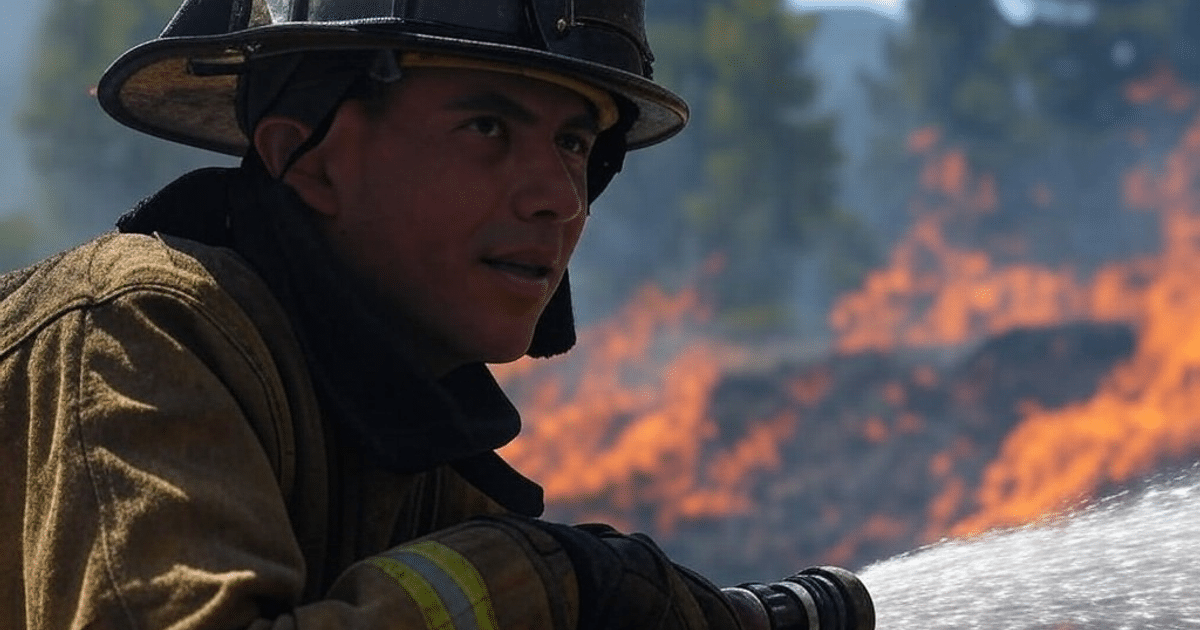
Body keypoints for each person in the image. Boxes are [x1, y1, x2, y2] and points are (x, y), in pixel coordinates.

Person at [0, 0, 873, 628]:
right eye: (488, 127)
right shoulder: (138, 331)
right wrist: (540, 580)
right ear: (309, 159)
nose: (560, 198)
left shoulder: (400, 430)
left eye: (574, 142)